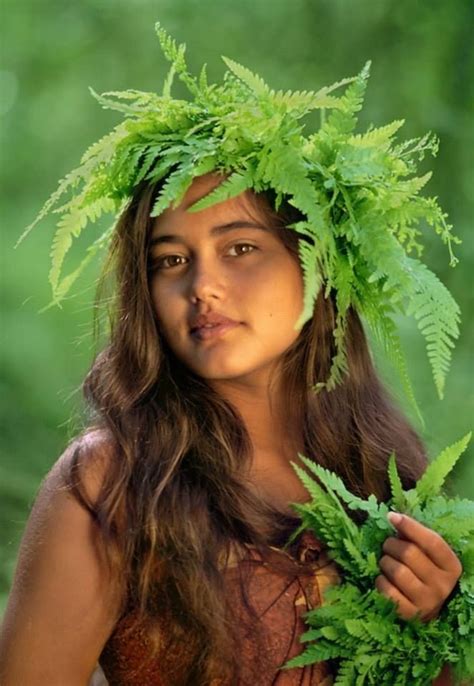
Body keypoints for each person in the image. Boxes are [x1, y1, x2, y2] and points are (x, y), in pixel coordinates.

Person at [0, 25, 463, 685]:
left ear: (317, 266)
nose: (203, 285)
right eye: (171, 261)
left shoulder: (388, 474)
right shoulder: (113, 484)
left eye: (240, 247)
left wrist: (433, 627)